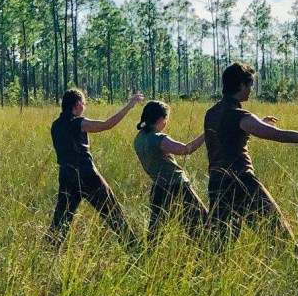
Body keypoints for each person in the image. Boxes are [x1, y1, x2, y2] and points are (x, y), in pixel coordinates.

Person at [204, 62, 298, 249]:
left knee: (219, 244)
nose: (251, 90)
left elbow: (228, 136)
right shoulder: (240, 116)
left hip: (216, 183)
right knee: (280, 237)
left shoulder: (211, 113)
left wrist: (258, 123)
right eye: (250, 86)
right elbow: (281, 136)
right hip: (242, 183)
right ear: (241, 86)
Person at [47, 89, 145, 248]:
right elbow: (106, 125)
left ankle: (48, 251)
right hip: (87, 175)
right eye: (84, 104)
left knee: (60, 221)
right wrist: (129, 105)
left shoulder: (55, 125)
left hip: (66, 176)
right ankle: (133, 248)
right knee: (114, 214)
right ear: (77, 105)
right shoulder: (76, 122)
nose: (84, 107)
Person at [133, 100, 208, 244]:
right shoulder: (158, 139)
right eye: (166, 120)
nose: (165, 123)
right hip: (177, 187)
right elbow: (186, 149)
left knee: (155, 234)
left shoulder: (139, 139)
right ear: (161, 119)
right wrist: (206, 133)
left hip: (158, 189)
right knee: (202, 225)